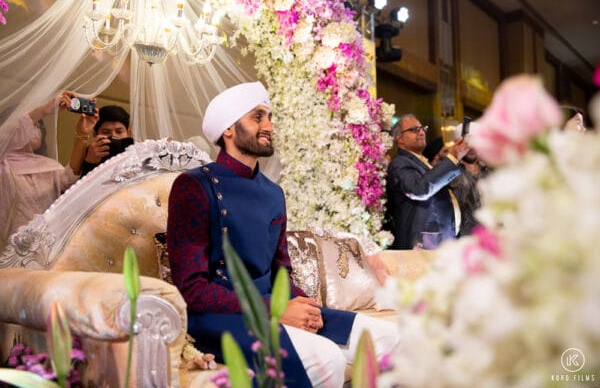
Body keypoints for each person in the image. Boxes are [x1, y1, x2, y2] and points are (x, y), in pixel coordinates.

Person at [167, 82, 400, 387]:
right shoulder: (194, 186)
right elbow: (192, 288)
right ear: (228, 130)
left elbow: (281, 271)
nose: (268, 126)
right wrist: (275, 310)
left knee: (391, 337)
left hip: (272, 305)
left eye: (270, 117)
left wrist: (306, 305)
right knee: (326, 358)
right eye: (257, 117)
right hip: (219, 316)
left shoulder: (273, 193)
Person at [0, 91, 96, 250]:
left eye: (38, 125)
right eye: (30, 123)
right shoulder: (3, 162)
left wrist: (82, 135)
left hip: (43, 249)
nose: (34, 128)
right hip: (7, 249)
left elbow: (68, 180)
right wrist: (43, 110)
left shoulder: (48, 165)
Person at [386, 114, 469, 250]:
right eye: (414, 130)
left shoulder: (422, 161)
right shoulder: (399, 162)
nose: (421, 132)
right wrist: (453, 157)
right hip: (422, 244)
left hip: (441, 240)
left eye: (422, 128)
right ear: (400, 139)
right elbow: (419, 189)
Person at [449, 122, 489, 236]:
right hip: (461, 239)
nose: (471, 147)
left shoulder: (488, 171)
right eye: (467, 143)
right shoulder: (449, 172)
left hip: (490, 237)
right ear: (458, 144)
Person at [79, 105, 133, 177]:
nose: (113, 136)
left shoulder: (135, 151)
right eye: (106, 132)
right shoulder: (88, 153)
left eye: (119, 132)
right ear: (95, 135)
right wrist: (90, 162)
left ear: (128, 133)